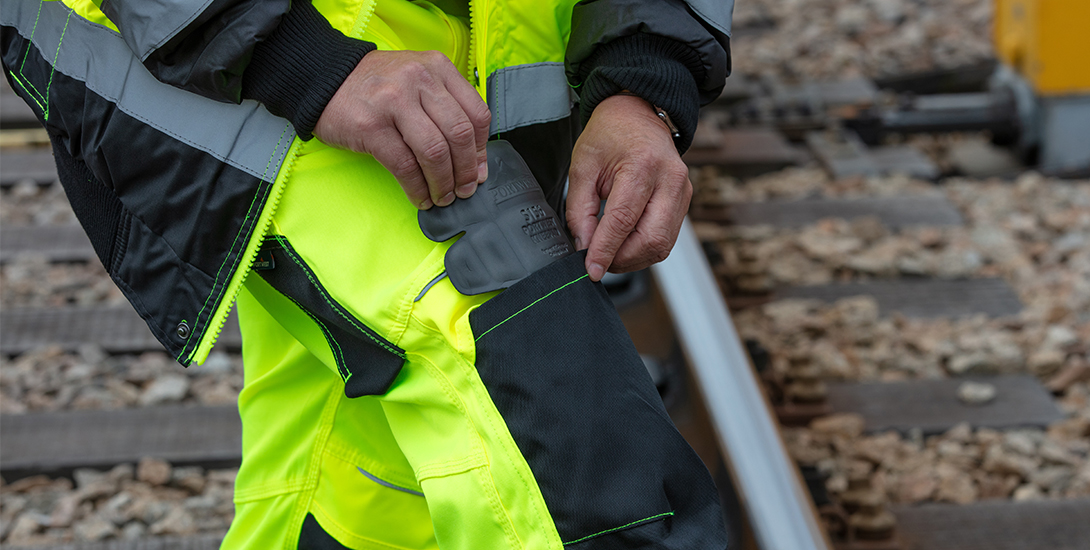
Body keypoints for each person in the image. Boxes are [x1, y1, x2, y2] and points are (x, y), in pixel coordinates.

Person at [2, 0, 734, 546]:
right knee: (539, 394)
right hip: (196, 37)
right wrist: (302, 61)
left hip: (466, 60)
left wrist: (640, 78)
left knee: (362, 487)